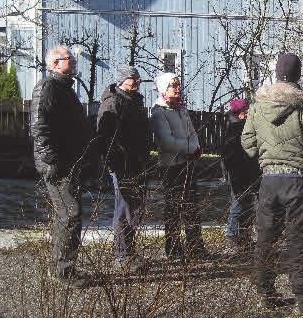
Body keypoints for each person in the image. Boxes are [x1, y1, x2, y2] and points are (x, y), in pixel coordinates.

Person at [241, 53, 303, 314]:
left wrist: (266, 159)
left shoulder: (258, 106)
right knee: (298, 239)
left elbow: (247, 144)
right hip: (298, 181)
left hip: (269, 181)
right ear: (298, 74)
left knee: (265, 238)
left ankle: (265, 293)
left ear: (277, 73)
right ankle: (302, 298)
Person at [31, 46, 93, 287]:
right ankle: (62, 271)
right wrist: (52, 161)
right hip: (58, 165)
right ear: (55, 63)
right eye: (69, 59)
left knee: (68, 215)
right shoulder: (47, 88)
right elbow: (39, 128)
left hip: (70, 162)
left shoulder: (65, 88)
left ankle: (64, 266)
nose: (74, 62)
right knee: (70, 214)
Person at [96, 65, 150, 270]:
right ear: (121, 80)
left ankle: (128, 251)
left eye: (138, 78)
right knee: (123, 208)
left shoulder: (134, 101)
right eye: (131, 78)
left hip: (137, 162)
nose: (136, 82)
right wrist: (117, 163)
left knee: (134, 208)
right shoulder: (112, 103)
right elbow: (105, 138)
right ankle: (122, 255)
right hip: (122, 164)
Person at [150, 73, 205, 260]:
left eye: (178, 85)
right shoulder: (159, 112)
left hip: (188, 163)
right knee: (173, 208)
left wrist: (196, 147)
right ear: (164, 89)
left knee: (191, 207)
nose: (177, 88)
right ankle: (173, 248)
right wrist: (190, 148)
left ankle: (195, 246)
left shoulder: (181, 109)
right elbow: (167, 142)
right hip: (171, 166)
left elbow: (192, 133)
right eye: (173, 85)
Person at [220, 97, 261, 256]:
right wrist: (234, 173)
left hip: (249, 171)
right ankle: (232, 237)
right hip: (238, 174)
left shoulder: (243, 126)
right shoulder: (234, 128)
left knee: (248, 207)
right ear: (241, 113)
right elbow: (229, 156)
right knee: (237, 205)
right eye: (247, 111)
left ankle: (244, 237)